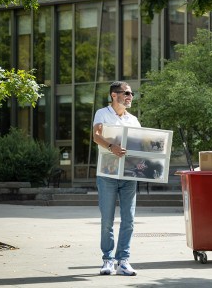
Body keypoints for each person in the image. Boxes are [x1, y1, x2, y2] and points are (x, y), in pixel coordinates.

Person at [92, 81, 141, 276]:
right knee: (107, 220)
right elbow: (96, 135)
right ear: (114, 95)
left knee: (128, 220)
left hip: (129, 175)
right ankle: (107, 260)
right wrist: (111, 147)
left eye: (131, 94)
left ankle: (123, 260)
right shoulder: (102, 114)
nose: (130, 97)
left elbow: (140, 145)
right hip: (107, 175)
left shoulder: (133, 120)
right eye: (127, 93)